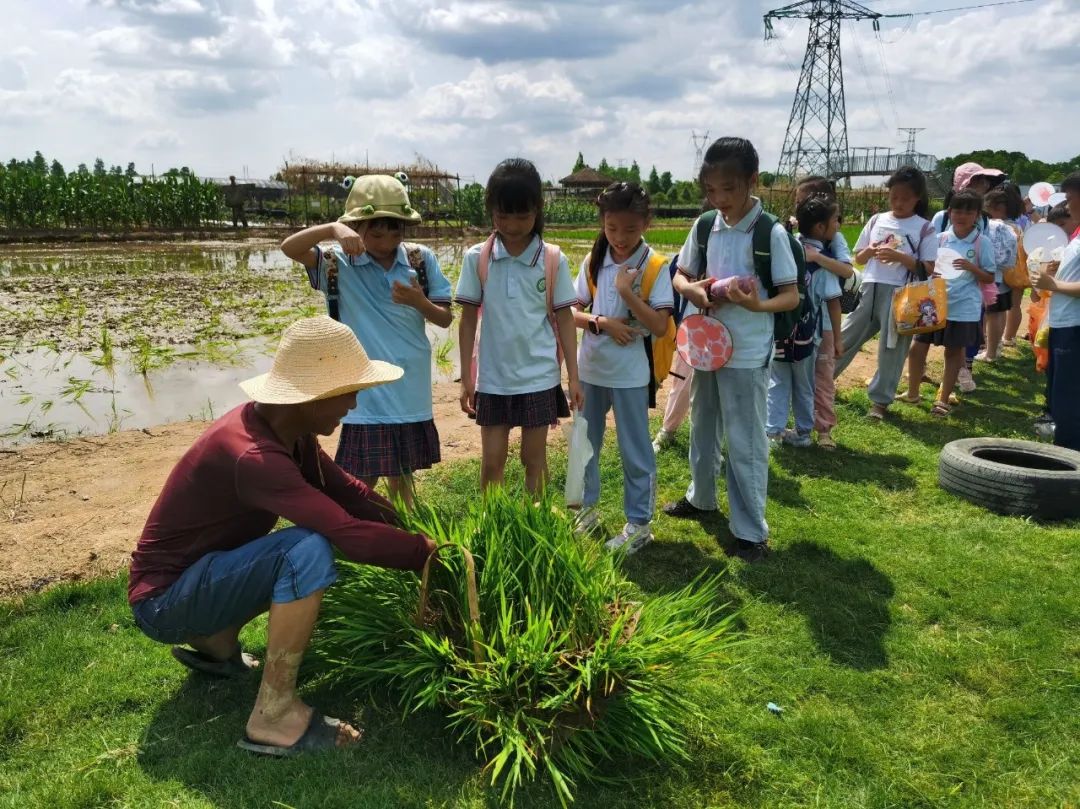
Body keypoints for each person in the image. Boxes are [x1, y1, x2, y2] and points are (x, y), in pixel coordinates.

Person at [129, 317, 436, 756]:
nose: (352, 403)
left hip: (192, 581)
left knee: (301, 546)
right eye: (345, 392)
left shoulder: (287, 431)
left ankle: (216, 642)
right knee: (304, 550)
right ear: (308, 398)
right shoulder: (254, 456)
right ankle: (273, 715)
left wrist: (415, 528)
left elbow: (349, 493)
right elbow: (346, 533)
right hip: (162, 602)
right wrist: (424, 552)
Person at [662, 137, 799, 563]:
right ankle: (701, 497)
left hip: (746, 352)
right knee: (703, 426)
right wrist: (694, 290)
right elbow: (680, 276)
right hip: (705, 347)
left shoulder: (769, 232)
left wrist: (754, 304)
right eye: (712, 191)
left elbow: (790, 296)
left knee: (745, 438)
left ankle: (751, 530)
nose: (720, 200)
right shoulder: (706, 225)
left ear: (751, 181)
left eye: (729, 189)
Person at [282, 175, 453, 509]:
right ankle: (354, 532)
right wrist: (333, 228)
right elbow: (290, 247)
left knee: (402, 475)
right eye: (376, 232)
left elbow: (445, 318)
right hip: (363, 386)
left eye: (395, 231)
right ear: (356, 225)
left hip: (408, 382)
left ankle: (402, 529)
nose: (387, 241)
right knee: (359, 478)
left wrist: (419, 302)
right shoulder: (337, 262)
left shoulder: (419, 260)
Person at [456, 158, 583, 493]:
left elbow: (565, 319)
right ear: (490, 210)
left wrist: (573, 375)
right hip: (493, 379)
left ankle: (533, 524)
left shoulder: (552, 259)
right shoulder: (477, 258)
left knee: (534, 458)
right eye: (503, 214)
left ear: (538, 210)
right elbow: (468, 320)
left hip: (538, 375)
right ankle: (492, 528)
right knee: (492, 461)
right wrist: (467, 377)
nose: (511, 224)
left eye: (521, 215)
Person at [571, 182, 673, 553]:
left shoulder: (655, 265)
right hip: (591, 368)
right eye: (611, 228)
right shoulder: (593, 261)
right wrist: (603, 323)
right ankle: (582, 510)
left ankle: (639, 523)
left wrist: (628, 293)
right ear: (602, 222)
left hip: (631, 374)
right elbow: (571, 312)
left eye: (630, 229)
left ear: (646, 222)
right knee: (584, 442)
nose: (620, 238)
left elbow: (660, 326)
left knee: (635, 448)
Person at [834, 166, 937, 419]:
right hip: (869, 286)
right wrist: (870, 251)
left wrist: (900, 257)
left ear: (917, 198)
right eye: (894, 197)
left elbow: (929, 267)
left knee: (891, 348)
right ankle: (823, 382)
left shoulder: (924, 227)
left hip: (902, 294)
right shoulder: (877, 220)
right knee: (846, 337)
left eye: (904, 198)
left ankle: (879, 402)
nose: (898, 203)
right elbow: (858, 257)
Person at [902, 191, 995, 417]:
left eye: (969, 211)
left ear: (977, 215)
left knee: (954, 353)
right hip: (932, 304)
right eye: (957, 210)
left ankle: (942, 399)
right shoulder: (940, 238)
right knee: (917, 348)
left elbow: (990, 277)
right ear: (949, 212)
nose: (962, 216)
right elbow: (927, 266)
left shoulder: (982, 243)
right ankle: (912, 392)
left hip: (964, 307)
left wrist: (971, 268)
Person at [765, 194, 843, 449]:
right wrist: (838, 339)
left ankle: (773, 432)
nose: (838, 225)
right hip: (809, 337)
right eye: (835, 220)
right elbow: (833, 302)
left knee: (777, 381)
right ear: (820, 227)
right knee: (804, 385)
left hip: (780, 331)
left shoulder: (787, 249)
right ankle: (803, 432)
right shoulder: (822, 264)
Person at [1030, 171, 1080, 450]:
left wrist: (1054, 283)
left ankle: (1070, 460)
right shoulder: (1076, 235)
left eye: (1071, 198)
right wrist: (1055, 272)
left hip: (1075, 327)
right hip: (1064, 324)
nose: (1068, 205)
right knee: (1059, 395)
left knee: (1069, 398)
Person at [977, 187, 1019, 360]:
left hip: (987, 277)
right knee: (999, 313)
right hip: (1003, 277)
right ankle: (995, 349)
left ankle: (989, 351)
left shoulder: (990, 226)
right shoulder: (1012, 228)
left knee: (990, 314)